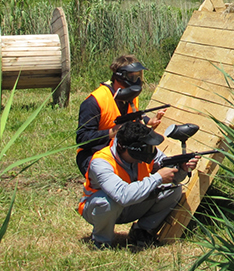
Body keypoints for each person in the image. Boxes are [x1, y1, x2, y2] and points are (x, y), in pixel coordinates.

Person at [77, 120, 199, 249]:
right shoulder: (101, 162)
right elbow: (122, 195)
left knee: (172, 189)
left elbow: (171, 178)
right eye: (145, 148)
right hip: (99, 209)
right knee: (107, 202)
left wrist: (182, 169)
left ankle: (141, 231)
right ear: (127, 148)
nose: (151, 151)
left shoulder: (148, 152)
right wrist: (157, 177)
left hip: (131, 205)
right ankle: (101, 241)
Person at [76, 55, 166, 175]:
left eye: (139, 76)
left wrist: (148, 121)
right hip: (94, 154)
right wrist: (111, 133)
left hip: (122, 152)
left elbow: (132, 116)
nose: (137, 81)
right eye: (132, 77)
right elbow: (82, 138)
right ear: (120, 77)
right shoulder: (95, 101)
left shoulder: (131, 97)